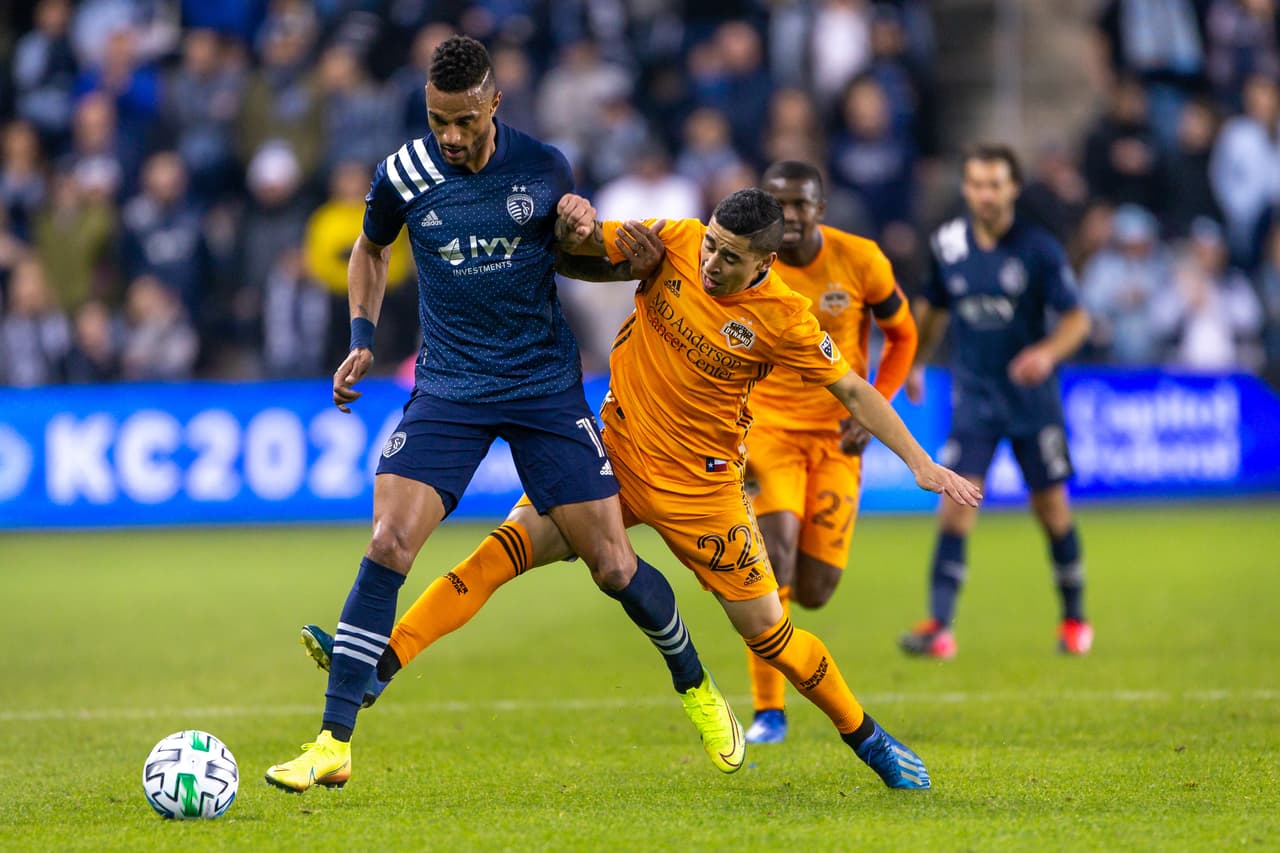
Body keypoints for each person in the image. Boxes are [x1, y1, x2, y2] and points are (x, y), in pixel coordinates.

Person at [303, 189, 983, 790]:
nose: (712, 262)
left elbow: (854, 390)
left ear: (764, 266)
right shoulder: (677, 241)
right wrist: (575, 219)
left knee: (771, 634)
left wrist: (921, 463)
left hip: (704, 491)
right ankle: (376, 666)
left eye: (731, 258)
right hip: (613, 461)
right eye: (712, 246)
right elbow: (579, 249)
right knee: (500, 552)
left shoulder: (787, 317)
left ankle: (867, 737)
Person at [265, 36, 741, 794]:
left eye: (462, 121)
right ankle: (332, 739)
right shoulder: (404, 173)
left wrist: (586, 234)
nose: (449, 137)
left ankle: (697, 687)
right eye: (435, 120)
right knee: (389, 539)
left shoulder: (543, 167)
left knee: (614, 565)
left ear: (494, 103)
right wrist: (360, 339)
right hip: (451, 384)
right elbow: (370, 249)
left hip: (543, 385)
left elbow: (571, 257)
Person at [740, 161, 918, 746]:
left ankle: (777, 691)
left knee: (815, 589)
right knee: (775, 557)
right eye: (779, 205)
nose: (789, 218)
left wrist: (877, 407)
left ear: (821, 206)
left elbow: (903, 335)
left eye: (800, 205)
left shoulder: (861, 259)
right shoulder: (747, 263)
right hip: (767, 432)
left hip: (837, 440)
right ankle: (770, 710)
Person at [899, 144, 1094, 660]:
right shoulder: (947, 245)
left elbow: (1077, 320)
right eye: (977, 184)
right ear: (966, 188)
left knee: (1050, 508)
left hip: (1033, 401)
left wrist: (1047, 353)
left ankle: (1075, 619)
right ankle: (939, 626)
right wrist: (915, 360)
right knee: (955, 506)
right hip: (976, 397)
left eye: (995, 184)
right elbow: (934, 308)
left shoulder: (1039, 249)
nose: (985, 194)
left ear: (1013, 188)